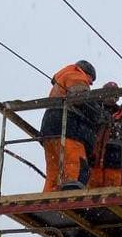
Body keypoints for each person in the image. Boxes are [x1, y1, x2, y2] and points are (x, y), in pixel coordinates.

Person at [40, 60, 98, 192]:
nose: (90, 83)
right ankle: (72, 193)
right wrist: (97, 113)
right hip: (67, 126)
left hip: (49, 128)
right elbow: (81, 98)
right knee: (76, 164)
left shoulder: (61, 78)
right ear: (86, 72)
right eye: (91, 80)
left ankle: (49, 196)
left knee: (54, 170)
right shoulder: (76, 75)